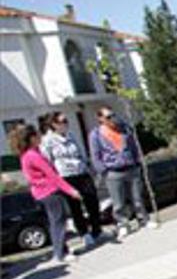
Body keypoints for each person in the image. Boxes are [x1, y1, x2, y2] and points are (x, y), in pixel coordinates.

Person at [12, 124, 81, 263]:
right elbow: (53, 176)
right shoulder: (33, 155)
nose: (40, 137)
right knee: (58, 222)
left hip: (40, 193)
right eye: (37, 135)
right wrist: (71, 190)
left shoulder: (27, 155)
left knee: (54, 222)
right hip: (49, 192)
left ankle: (62, 250)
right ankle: (60, 253)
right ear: (31, 138)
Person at [39, 112, 103, 248]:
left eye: (66, 120)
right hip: (65, 176)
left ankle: (97, 230)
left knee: (92, 201)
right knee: (75, 207)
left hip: (81, 172)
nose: (66, 123)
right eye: (63, 121)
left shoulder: (71, 135)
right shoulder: (48, 141)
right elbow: (47, 161)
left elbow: (81, 152)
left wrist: (87, 166)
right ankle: (84, 233)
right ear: (54, 124)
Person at [89, 106, 151, 238]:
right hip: (113, 171)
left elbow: (134, 147)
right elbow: (95, 155)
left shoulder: (124, 129)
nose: (112, 119)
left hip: (131, 167)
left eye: (113, 115)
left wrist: (137, 162)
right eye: (108, 117)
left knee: (137, 197)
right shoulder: (96, 134)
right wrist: (103, 171)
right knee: (118, 203)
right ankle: (123, 225)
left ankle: (143, 220)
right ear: (100, 119)